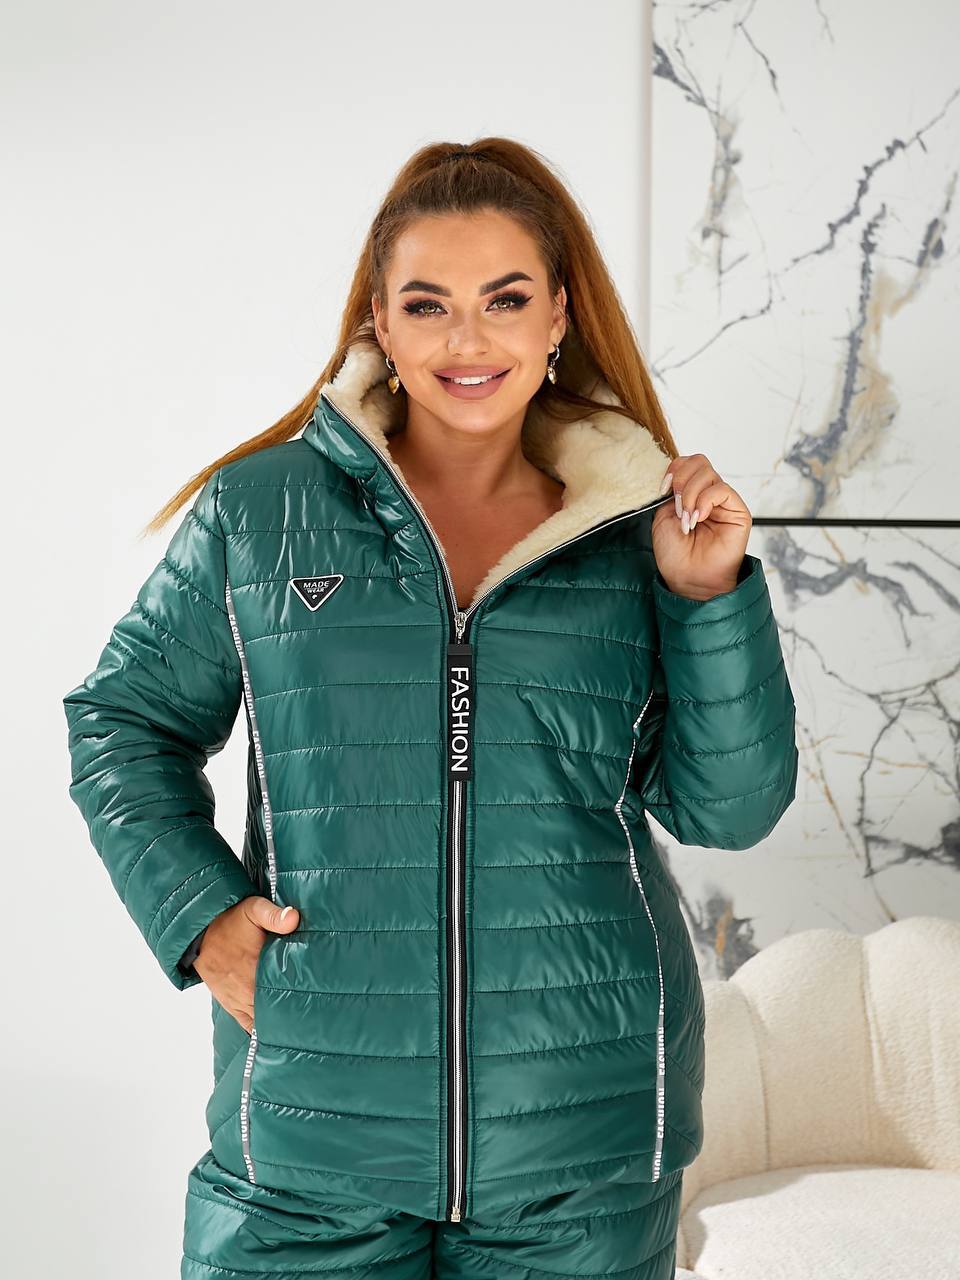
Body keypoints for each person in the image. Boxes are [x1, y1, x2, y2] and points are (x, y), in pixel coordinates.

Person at [62, 137, 799, 1279]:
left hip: (582, 1143)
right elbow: (123, 720)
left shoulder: (636, 532)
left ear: (558, 316)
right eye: (428, 305)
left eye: (505, 300)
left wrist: (706, 599)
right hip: (309, 1143)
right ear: (380, 322)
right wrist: (199, 916)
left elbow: (729, 809)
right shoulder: (261, 513)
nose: (468, 341)